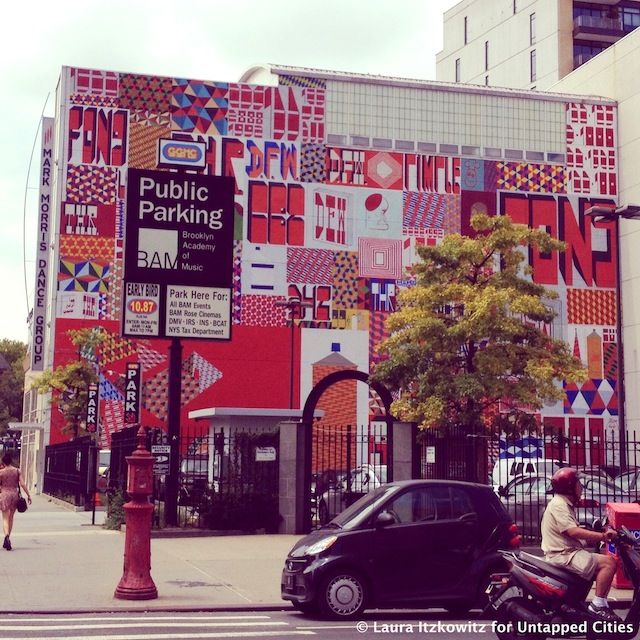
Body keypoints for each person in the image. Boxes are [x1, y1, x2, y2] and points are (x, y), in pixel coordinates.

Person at [541, 467, 619, 621]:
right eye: (578, 483)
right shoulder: (559, 505)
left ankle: (587, 605)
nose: (581, 487)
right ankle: (598, 605)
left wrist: (598, 531)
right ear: (570, 487)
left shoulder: (563, 503)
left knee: (603, 563)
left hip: (568, 553)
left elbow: (573, 529)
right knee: (608, 563)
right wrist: (603, 536)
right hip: (563, 555)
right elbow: (573, 532)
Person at [0, 452, 32, 550]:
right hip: (14, 495)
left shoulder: (1, 472)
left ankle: (6, 537)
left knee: (5, 518)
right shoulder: (17, 471)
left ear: (3, 462)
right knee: (11, 517)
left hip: (4, 495)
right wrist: (28, 495)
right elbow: (22, 484)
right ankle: (8, 537)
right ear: (11, 461)